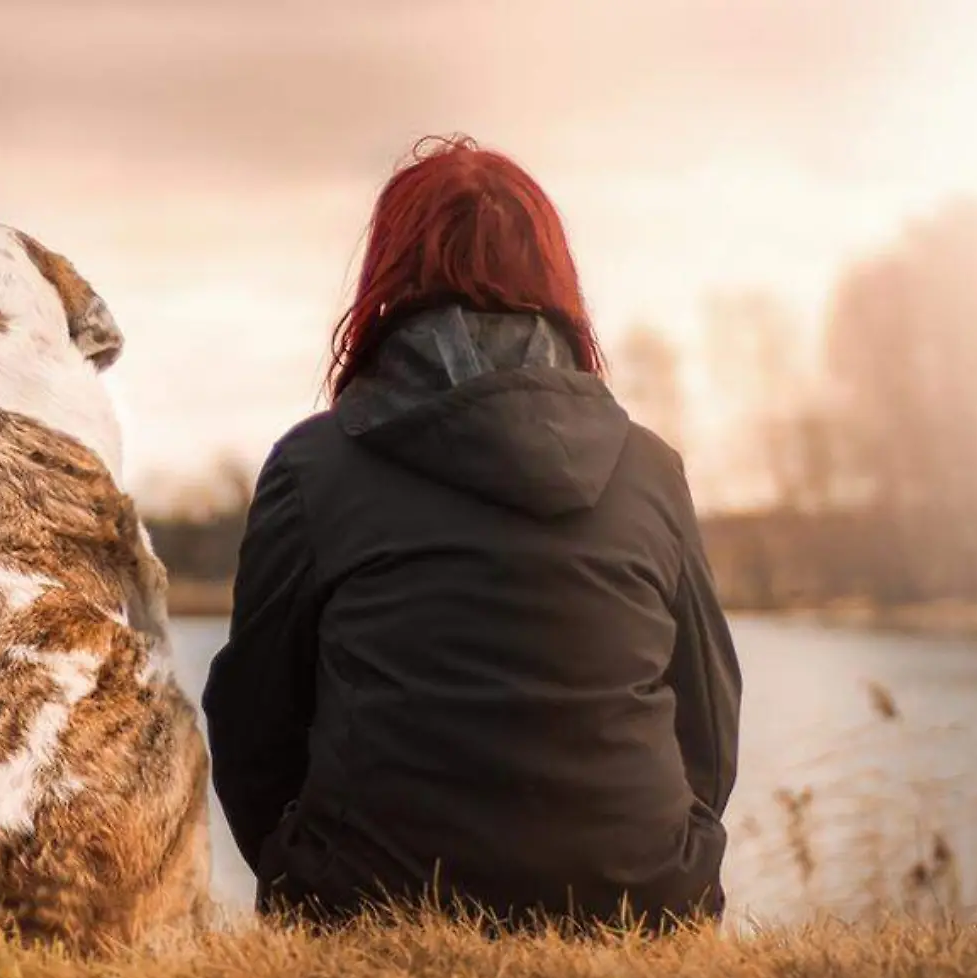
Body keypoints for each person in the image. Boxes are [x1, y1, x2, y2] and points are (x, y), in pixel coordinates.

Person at [200, 135, 741, 933]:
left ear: (388, 278)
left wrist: (300, 868)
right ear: (556, 281)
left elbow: (252, 724)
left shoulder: (314, 467)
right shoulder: (649, 469)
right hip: (641, 902)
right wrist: (667, 858)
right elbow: (709, 718)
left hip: (368, 903)